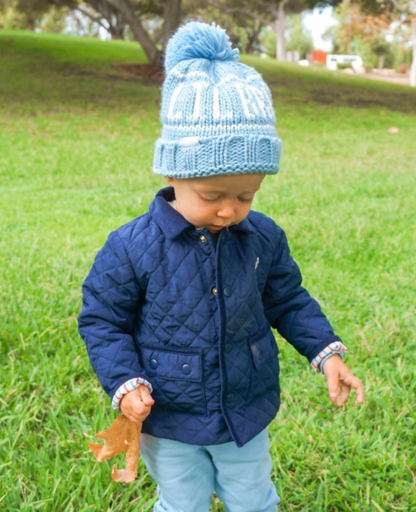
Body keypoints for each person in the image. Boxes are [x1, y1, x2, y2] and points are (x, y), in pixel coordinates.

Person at [78, 20, 364, 512]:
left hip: (244, 411)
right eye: (211, 196)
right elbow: (103, 320)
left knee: (253, 498)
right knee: (182, 501)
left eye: (246, 195)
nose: (229, 209)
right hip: (168, 416)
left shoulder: (263, 237)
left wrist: (326, 352)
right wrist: (126, 382)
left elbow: (288, 299)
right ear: (174, 173)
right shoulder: (131, 246)